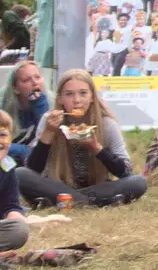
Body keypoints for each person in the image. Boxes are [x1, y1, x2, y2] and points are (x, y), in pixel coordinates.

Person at [21, 69, 148, 207]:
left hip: (97, 187)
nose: (77, 100)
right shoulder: (49, 120)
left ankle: (72, 201)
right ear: (60, 99)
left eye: (83, 93)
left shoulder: (106, 125)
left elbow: (126, 172)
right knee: (20, 174)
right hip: (57, 187)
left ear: (92, 96)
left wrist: (97, 148)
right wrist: (48, 133)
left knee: (138, 182)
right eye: (69, 94)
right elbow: (33, 170)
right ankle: (87, 202)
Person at [2, 62, 50, 164]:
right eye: (26, 80)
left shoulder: (50, 104)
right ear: (15, 88)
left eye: (37, 77)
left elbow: (47, 145)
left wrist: (40, 105)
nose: (34, 82)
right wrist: (24, 150)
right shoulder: (4, 110)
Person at [0, 112, 32, 257]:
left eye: (2, 135)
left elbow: (10, 205)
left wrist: (19, 218)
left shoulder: (7, 168)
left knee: (19, 230)